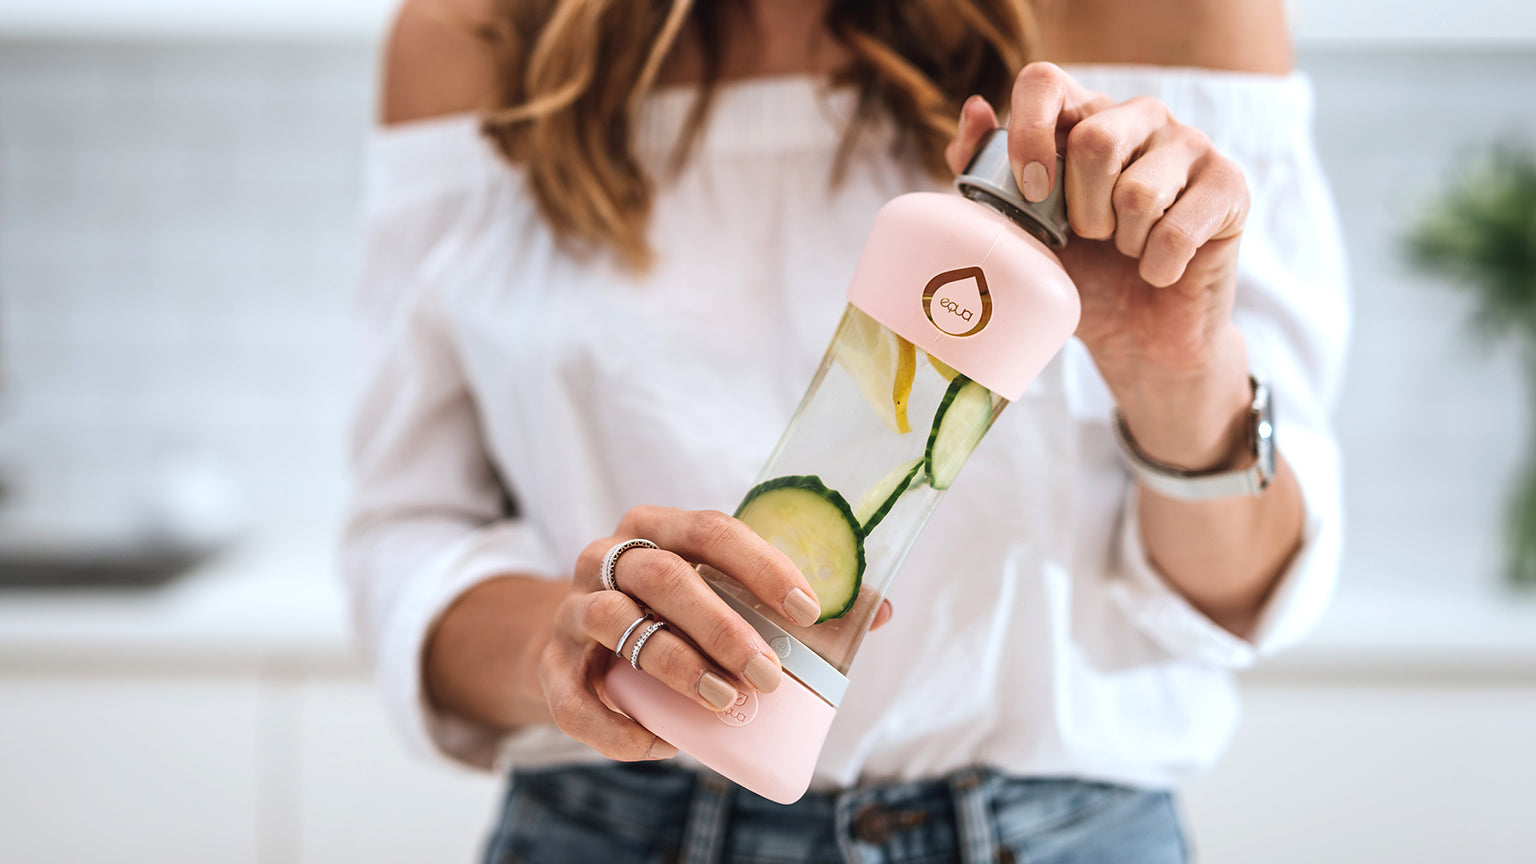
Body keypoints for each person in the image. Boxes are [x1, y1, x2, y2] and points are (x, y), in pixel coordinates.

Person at [346, 0, 1347, 861]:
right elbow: (409, 532)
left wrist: (1173, 375)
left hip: (1055, 833)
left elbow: (1246, 597)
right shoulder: (475, 41)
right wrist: (577, 644)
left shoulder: (1171, 18)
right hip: (612, 823)